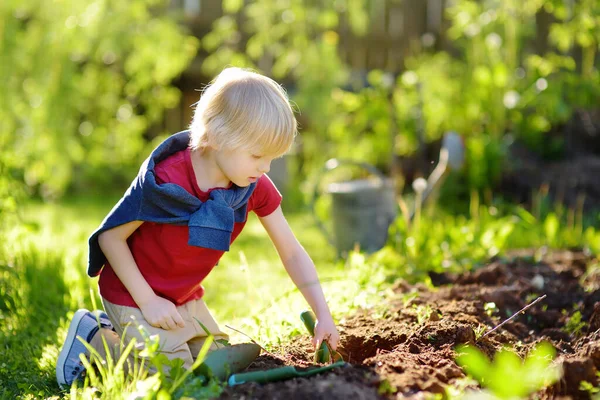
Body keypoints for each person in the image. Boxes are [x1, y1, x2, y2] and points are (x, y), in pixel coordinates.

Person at [56, 67, 340, 389]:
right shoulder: (166, 180)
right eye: (258, 155)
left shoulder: (252, 185)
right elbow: (110, 236)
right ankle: (97, 338)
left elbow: (291, 251)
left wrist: (323, 314)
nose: (265, 168)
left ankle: (132, 334)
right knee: (173, 379)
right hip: (133, 292)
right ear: (219, 137)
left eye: (272, 158)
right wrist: (148, 302)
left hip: (183, 297)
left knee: (214, 369)